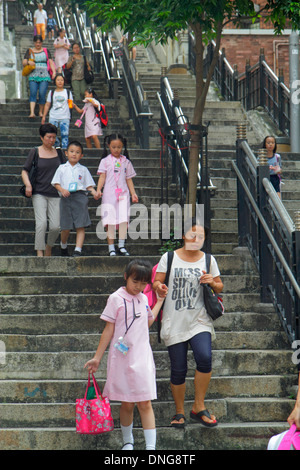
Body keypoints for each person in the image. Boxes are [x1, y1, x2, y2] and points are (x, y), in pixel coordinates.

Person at [84, 259, 166, 450]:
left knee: (145, 401)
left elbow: (146, 323)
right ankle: (128, 441)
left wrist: (159, 300)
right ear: (126, 277)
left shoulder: (144, 298)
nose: (138, 287)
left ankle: (150, 447)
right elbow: (108, 330)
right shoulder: (115, 298)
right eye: (135, 281)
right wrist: (97, 357)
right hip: (121, 358)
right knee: (127, 403)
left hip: (142, 356)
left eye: (143, 283)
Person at [152, 217, 224, 428]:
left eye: (200, 236)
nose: (196, 238)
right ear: (184, 235)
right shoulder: (170, 257)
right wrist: (159, 287)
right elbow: (157, 280)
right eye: (193, 234)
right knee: (178, 368)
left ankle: (198, 406)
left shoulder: (208, 259)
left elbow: (219, 286)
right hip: (174, 320)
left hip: (199, 319)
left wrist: (212, 281)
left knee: (204, 357)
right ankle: (180, 412)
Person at [21, 123, 64, 257]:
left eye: (53, 137)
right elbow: (24, 171)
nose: (51, 140)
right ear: (41, 137)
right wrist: (28, 185)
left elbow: (65, 170)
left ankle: (49, 246)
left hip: (55, 194)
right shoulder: (35, 151)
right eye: (48, 137)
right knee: (41, 224)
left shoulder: (59, 152)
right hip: (39, 192)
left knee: (55, 226)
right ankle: (40, 251)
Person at [51, 140, 99, 257]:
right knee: (66, 226)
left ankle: (78, 249)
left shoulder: (83, 169)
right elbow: (55, 183)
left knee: (80, 225)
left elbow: (88, 185)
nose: (74, 154)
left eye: (77, 152)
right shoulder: (62, 168)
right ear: (66, 153)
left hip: (80, 197)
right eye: (72, 151)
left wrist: (94, 192)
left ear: (81, 155)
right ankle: (63, 245)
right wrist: (62, 190)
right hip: (66, 197)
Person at [96, 133, 138, 257]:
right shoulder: (105, 161)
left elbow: (129, 179)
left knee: (123, 220)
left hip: (123, 194)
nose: (116, 150)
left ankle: (121, 245)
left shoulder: (126, 161)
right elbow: (102, 176)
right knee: (110, 221)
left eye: (119, 147)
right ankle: (111, 247)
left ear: (123, 146)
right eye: (113, 147)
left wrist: (133, 193)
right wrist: (98, 189)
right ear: (109, 146)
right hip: (109, 194)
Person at [23, 35, 56, 118]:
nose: (38, 44)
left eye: (39, 42)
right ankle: (32, 112)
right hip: (33, 75)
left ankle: (41, 112)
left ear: (42, 43)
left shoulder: (45, 51)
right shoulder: (30, 51)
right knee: (33, 93)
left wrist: (54, 72)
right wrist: (28, 62)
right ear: (34, 42)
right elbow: (24, 62)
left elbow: (50, 61)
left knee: (42, 93)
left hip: (44, 75)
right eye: (36, 42)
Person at [41, 73, 73, 150]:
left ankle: (65, 150)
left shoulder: (68, 92)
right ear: (55, 81)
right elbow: (48, 104)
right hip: (53, 115)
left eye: (61, 80)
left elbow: (70, 105)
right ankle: (56, 147)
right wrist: (44, 116)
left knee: (65, 135)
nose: (60, 82)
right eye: (58, 80)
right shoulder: (51, 92)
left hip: (65, 116)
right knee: (51, 133)